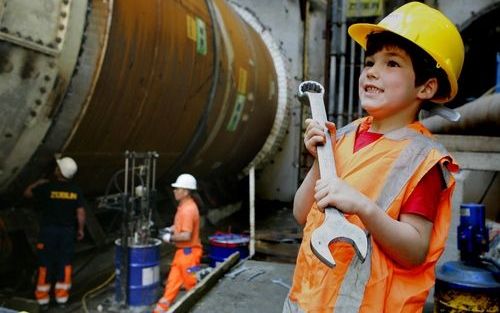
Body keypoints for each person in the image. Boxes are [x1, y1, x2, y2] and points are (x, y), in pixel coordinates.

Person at [283, 2, 464, 312]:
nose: (372, 72)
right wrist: (318, 159)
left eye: (392, 64)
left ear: (426, 86)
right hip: (306, 303)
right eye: (369, 62)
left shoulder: (423, 159)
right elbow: (303, 215)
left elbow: (415, 250)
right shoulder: (340, 136)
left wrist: (362, 207)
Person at [24, 157, 85, 310]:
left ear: (59, 171)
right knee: (65, 265)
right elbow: (80, 212)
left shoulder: (47, 188)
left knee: (45, 265)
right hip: (67, 233)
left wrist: (38, 182)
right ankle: (62, 299)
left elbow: (27, 194)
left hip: (48, 232)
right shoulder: (75, 190)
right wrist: (80, 229)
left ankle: (43, 300)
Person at [154, 173, 203, 313]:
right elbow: (180, 226)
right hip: (183, 254)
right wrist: (168, 229)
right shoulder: (184, 205)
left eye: (178, 188)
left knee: (192, 287)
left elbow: (186, 235)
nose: (174, 191)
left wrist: (169, 238)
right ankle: (159, 311)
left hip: (189, 255)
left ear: (186, 191)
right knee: (171, 286)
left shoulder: (188, 210)